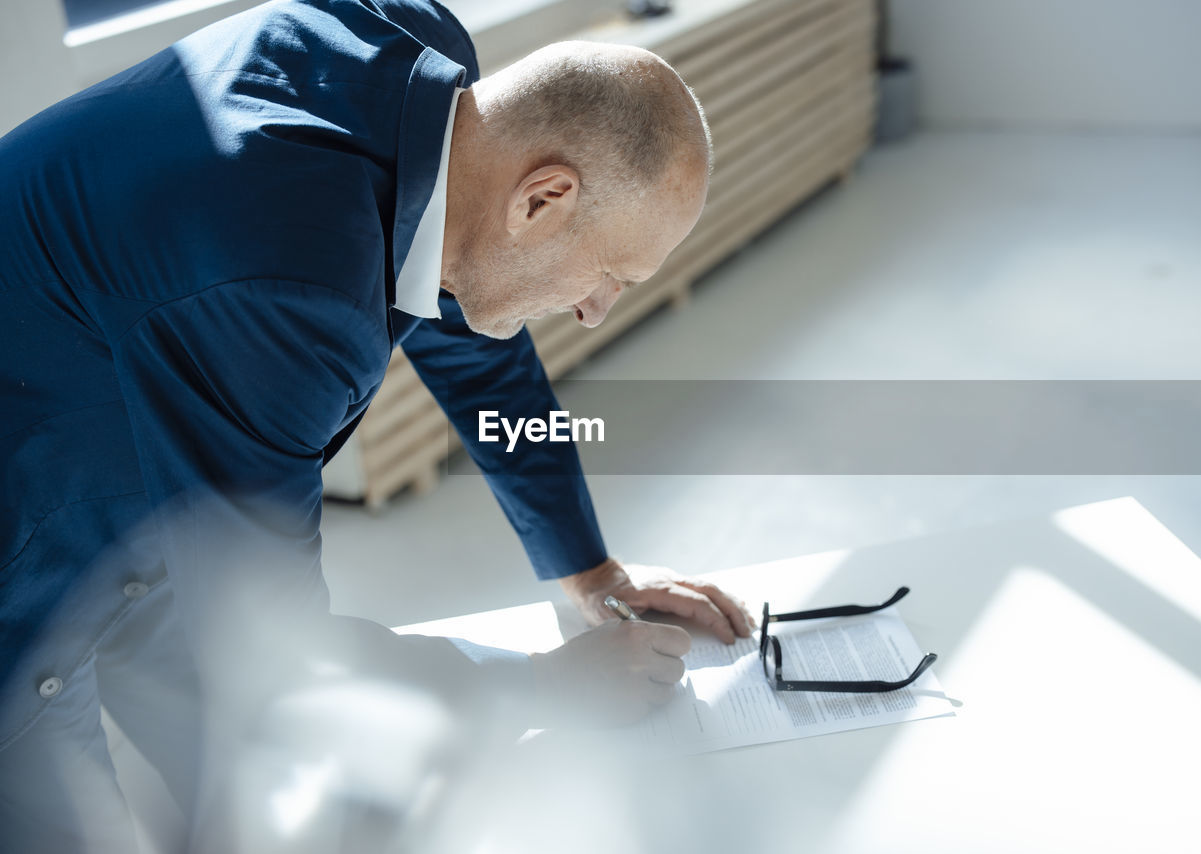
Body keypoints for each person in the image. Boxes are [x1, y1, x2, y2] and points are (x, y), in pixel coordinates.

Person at [0, 0, 753, 849]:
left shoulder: (432, 81)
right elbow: (274, 659)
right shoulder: (286, 281)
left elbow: (473, 334)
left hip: (157, 492)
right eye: (610, 272)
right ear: (543, 200)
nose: (593, 311)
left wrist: (588, 574)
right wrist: (544, 685)